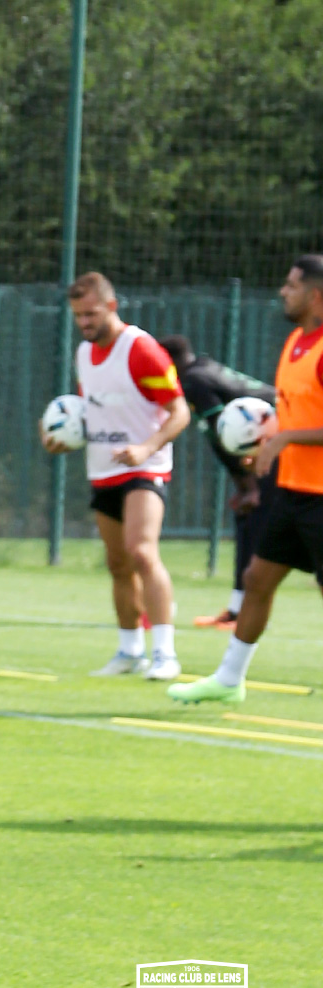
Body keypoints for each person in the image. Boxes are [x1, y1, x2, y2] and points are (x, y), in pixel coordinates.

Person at [170, 256, 323, 706]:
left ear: (315, 295)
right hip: (294, 492)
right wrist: (267, 439)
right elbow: (296, 414)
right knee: (257, 579)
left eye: (291, 285)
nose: (282, 291)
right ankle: (229, 679)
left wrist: (288, 438)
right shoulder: (296, 341)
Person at [42, 272, 190, 680]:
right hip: (104, 471)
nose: (85, 323)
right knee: (117, 563)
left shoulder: (142, 349)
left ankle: (165, 653)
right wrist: (56, 431)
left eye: (90, 313)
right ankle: (130, 651)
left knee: (142, 551)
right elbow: (85, 410)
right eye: (77, 316)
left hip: (146, 467)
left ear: (112, 306)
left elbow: (179, 411)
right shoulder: (84, 353)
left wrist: (145, 448)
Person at [157, 333, 275, 629]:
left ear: (169, 361)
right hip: (268, 440)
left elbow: (223, 434)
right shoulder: (203, 369)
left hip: (279, 438)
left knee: (259, 519)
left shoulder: (194, 381)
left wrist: (249, 485)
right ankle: (237, 611)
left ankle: (243, 612)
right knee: (248, 518)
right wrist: (243, 483)